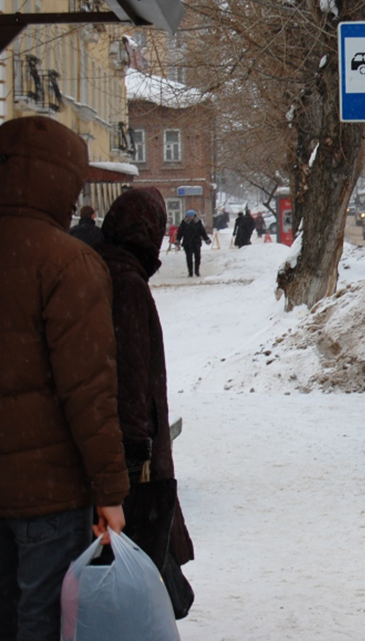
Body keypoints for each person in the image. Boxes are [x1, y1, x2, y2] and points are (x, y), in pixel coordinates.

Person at [0, 116, 128, 641]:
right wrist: (111, 491)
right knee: (44, 620)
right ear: (56, 182)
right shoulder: (66, 263)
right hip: (47, 494)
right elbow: (90, 393)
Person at [95, 188, 195, 616]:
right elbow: (131, 379)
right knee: (135, 581)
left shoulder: (103, 270)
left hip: (114, 457)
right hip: (133, 465)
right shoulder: (128, 284)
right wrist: (135, 464)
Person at [176, 209, 211, 276]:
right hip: (187, 243)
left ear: (194, 216)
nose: (191, 218)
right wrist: (178, 240)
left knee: (197, 257)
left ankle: (197, 271)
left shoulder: (198, 222)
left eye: (192, 216)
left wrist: (206, 239)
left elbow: (202, 232)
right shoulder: (184, 223)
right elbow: (180, 232)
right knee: (189, 257)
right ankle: (190, 272)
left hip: (196, 242)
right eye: (189, 216)